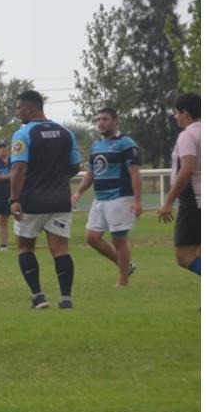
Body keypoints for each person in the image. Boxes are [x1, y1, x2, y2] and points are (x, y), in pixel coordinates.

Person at [8, 89, 82, 309]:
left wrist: (14, 199)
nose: (17, 112)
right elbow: (76, 166)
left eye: (19, 108)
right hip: (60, 199)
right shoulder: (66, 132)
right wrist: (57, 180)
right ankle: (66, 298)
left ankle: (38, 296)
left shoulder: (23, 134)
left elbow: (19, 169)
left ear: (30, 109)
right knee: (60, 249)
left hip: (32, 200)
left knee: (25, 247)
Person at [72, 108, 143, 286]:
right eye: (99, 119)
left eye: (105, 119)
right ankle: (126, 266)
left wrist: (137, 201)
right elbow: (91, 172)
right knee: (92, 237)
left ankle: (123, 281)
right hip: (100, 199)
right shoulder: (96, 146)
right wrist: (79, 192)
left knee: (119, 240)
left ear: (115, 121)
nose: (101, 123)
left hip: (119, 198)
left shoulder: (126, 143)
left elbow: (134, 174)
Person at [158, 93, 201, 277]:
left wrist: (168, 202)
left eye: (176, 112)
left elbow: (187, 168)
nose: (175, 116)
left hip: (195, 201)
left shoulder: (188, 135)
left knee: (184, 255)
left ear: (185, 113)